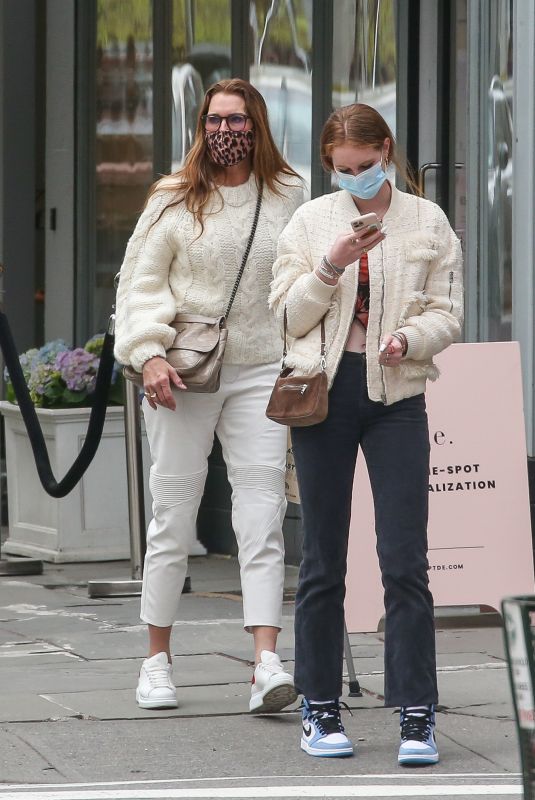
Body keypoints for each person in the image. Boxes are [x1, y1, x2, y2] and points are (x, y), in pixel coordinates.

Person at [270, 103, 463, 763]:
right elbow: (288, 318)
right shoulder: (309, 221)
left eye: (365, 166)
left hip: (397, 393)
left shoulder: (426, 220)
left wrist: (408, 337)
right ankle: (318, 706)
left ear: (386, 150)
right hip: (323, 395)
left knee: (404, 559)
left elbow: (447, 311)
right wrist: (330, 263)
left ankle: (416, 713)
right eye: (342, 170)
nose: (355, 178)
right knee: (322, 559)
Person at [114, 78, 303, 714]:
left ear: (258, 125)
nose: (226, 132)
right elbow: (140, 283)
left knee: (262, 511)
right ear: (202, 124)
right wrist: (149, 354)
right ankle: (156, 660)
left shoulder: (289, 194)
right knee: (173, 511)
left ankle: (265, 661)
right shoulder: (174, 196)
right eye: (215, 120)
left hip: (261, 370)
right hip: (185, 372)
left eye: (238, 120)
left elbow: (302, 279)